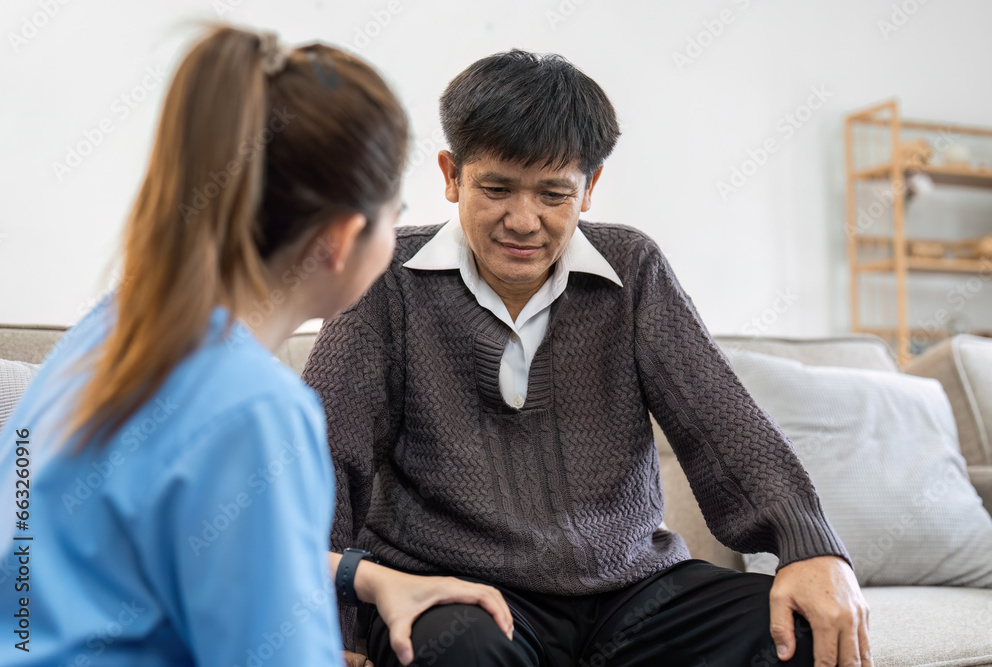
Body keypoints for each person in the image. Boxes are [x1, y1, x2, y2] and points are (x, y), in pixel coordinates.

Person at [303, 49, 872, 667]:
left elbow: (722, 422)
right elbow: (325, 466)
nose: (524, 221)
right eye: (496, 189)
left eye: (554, 194)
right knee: (454, 651)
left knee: (802, 633)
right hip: (459, 592)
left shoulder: (633, 269)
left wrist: (810, 547)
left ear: (590, 187)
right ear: (451, 175)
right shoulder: (386, 280)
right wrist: (335, 631)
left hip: (633, 591)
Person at [0, 25, 512, 667]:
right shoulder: (255, 409)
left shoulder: (111, 330)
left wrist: (370, 577)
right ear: (343, 237)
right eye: (395, 210)